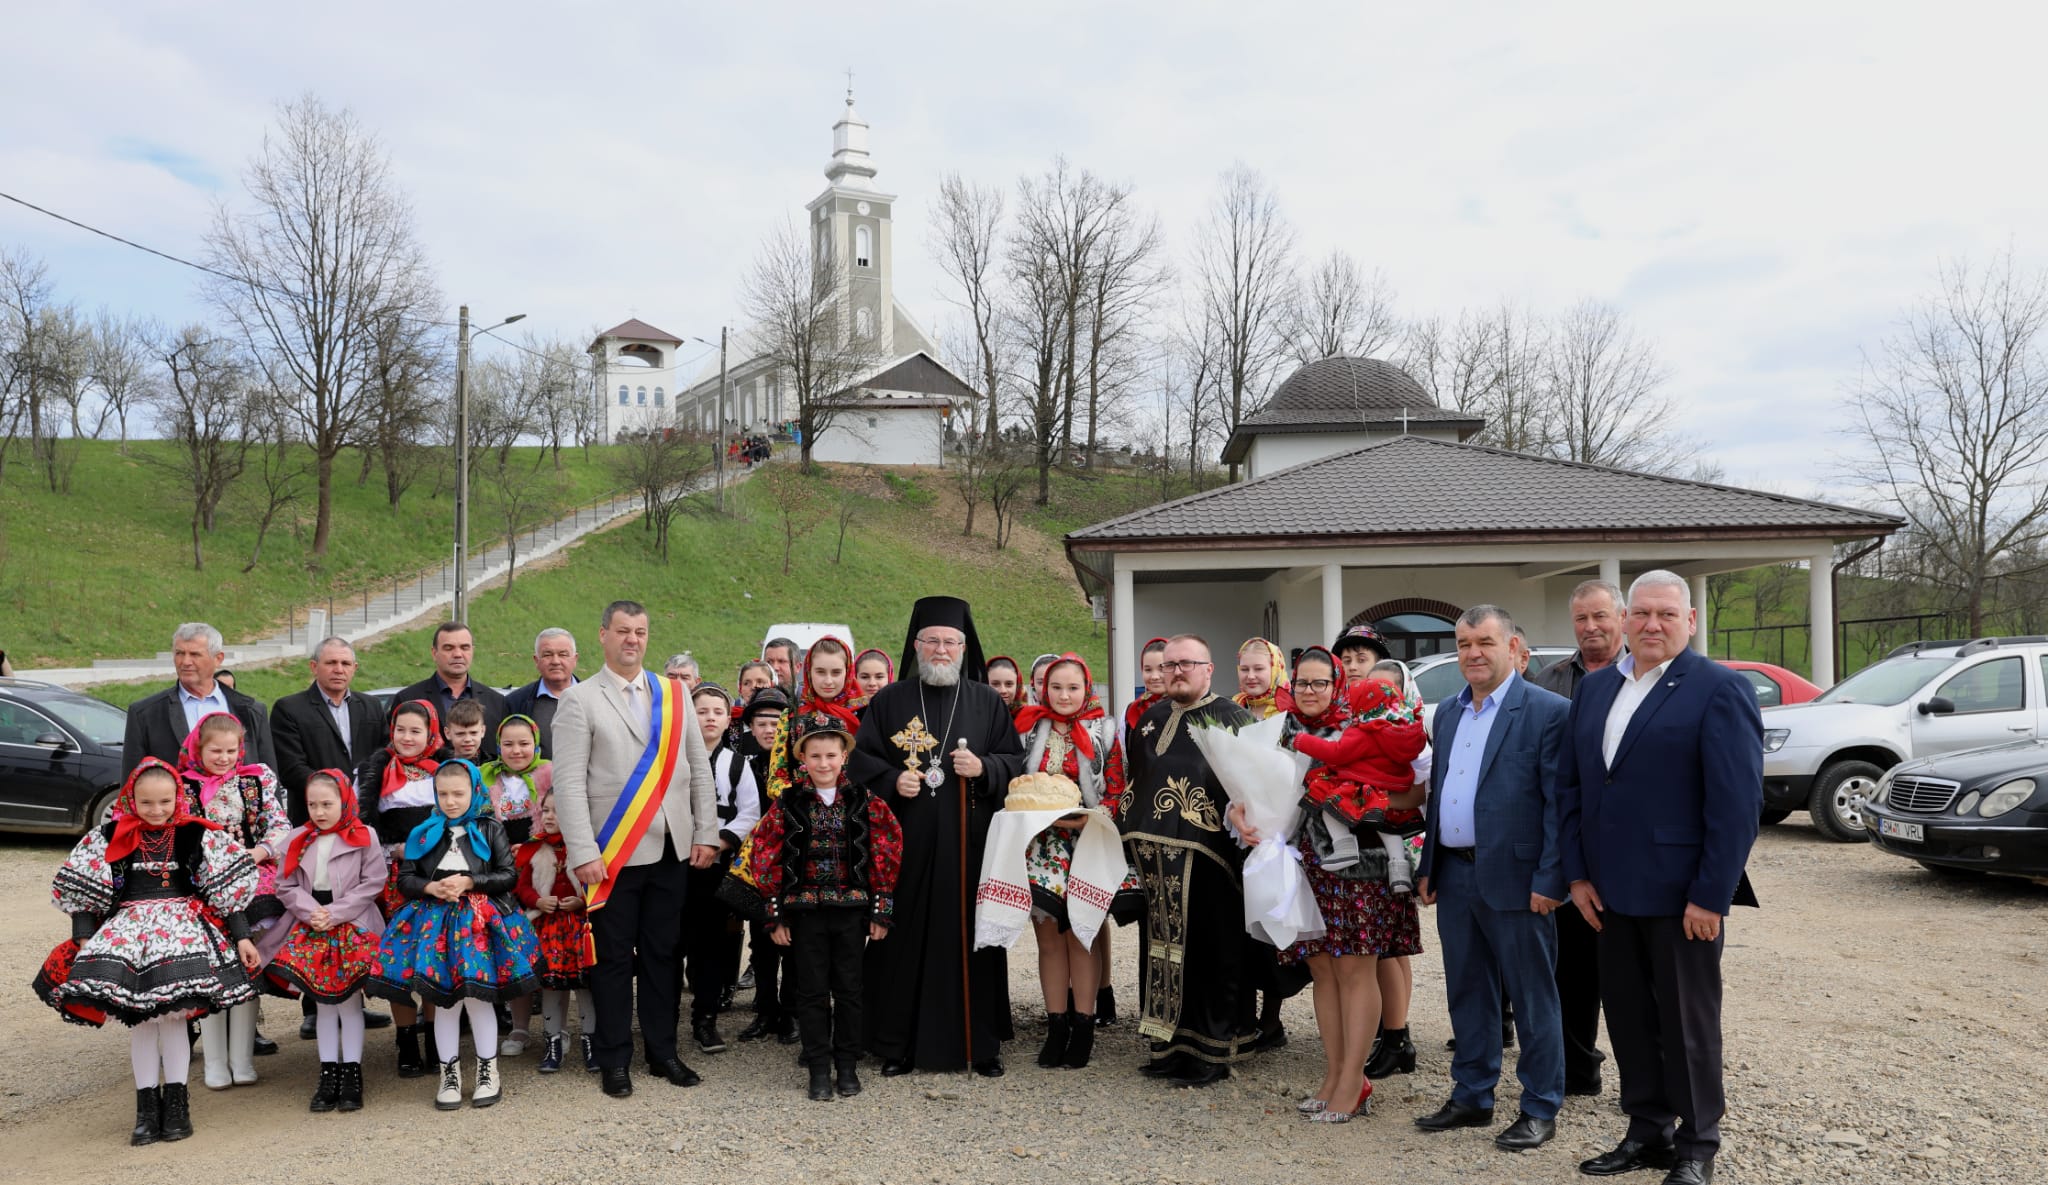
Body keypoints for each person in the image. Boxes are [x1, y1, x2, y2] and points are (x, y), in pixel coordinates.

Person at [1559, 572, 1762, 1185]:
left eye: (1666, 614)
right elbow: (1574, 789)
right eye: (1641, 613)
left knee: (1687, 1024)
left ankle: (1697, 1145)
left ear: (1690, 620)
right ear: (1625, 619)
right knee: (1628, 1017)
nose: (1652, 624)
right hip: (1607, 893)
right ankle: (1647, 1130)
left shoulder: (1719, 689)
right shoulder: (1597, 689)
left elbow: (1736, 806)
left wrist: (1711, 895)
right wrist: (1577, 875)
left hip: (1682, 897)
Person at [1412, 605, 1572, 1153]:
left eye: (1484, 642)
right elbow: (1441, 794)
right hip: (1457, 874)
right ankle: (1472, 1095)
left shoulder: (1549, 712)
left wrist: (1552, 878)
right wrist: (1430, 865)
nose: (1473, 653)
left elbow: (1558, 806)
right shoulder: (1449, 714)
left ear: (1513, 649)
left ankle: (1540, 1106)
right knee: (1468, 990)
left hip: (1520, 879)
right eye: (1464, 644)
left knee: (1532, 997)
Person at [35, 758, 261, 1146]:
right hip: (128, 936)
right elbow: (83, 892)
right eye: (146, 803)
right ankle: (146, 1110)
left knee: (172, 1021)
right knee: (140, 1023)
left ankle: (176, 1106)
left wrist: (242, 936)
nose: (157, 810)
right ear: (130, 800)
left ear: (178, 798)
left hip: (181, 936)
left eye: (165, 802)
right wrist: (84, 938)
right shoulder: (108, 836)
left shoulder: (197, 834)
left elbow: (225, 892)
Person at [1244, 648, 1423, 1122]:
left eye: (1319, 683)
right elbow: (1250, 788)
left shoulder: (1362, 725)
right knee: (1322, 970)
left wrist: (1360, 797)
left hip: (1360, 865)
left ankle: (1352, 1081)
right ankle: (1336, 1074)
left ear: (1338, 684)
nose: (1309, 691)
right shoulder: (1279, 728)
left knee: (1354, 970)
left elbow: (1413, 790)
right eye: (1301, 682)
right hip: (1303, 863)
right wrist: (1242, 813)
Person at [849, 596, 1025, 1076]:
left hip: (969, 846)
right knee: (901, 939)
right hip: (907, 843)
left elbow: (1015, 763)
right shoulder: (889, 701)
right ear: (917, 645)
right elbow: (859, 762)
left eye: (950, 642)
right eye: (932, 641)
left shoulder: (987, 701)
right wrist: (893, 780)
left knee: (974, 939)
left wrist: (983, 768)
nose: (941, 649)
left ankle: (979, 1045)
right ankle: (896, 1044)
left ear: (964, 648)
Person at [550, 600, 719, 1099]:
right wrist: (582, 851)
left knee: (664, 955)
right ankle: (614, 1058)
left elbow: (698, 768)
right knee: (613, 960)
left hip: (670, 849)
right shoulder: (579, 700)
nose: (632, 640)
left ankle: (663, 1052)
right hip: (612, 854)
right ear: (603, 635)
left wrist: (706, 831)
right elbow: (568, 784)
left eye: (640, 632)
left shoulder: (674, 694)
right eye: (623, 631)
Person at [369, 759, 542, 1110]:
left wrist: (470, 881)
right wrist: (431, 887)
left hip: (479, 923)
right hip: (435, 924)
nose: (450, 801)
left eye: (458, 794)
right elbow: (406, 879)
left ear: (474, 791)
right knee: (445, 1000)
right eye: (443, 794)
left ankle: (487, 1071)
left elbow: (507, 874)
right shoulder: (424, 832)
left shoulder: (490, 828)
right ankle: (449, 1075)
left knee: (479, 999)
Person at [748, 710, 904, 1101]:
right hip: (805, 915)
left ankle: (847, 1064)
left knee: (849, 990)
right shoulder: (788, 803)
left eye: (831, 755)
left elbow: (888, 847)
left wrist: (881, 908)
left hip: (851, 913)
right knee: (811, 991)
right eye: (815, 756)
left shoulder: (865, 801)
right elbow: (764, 852)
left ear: (844, 757)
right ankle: (818, 1067)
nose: (823, 764)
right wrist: (775, 914)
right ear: (802, 758)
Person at [1122, 634, 1254, 1085]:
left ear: (1208, 669)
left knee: (1211, 952)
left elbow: (1253, 789)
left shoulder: (1232, 719)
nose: (1176, 671)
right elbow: (1136, 783)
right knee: (1162, 952)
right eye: (1170, 664)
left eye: (1187, 664)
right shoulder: (1151, 718)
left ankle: (1211, 1052)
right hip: (1157, 862)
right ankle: (1168, 1046)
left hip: (1212, 860)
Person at [1011, 653, 1136, 1067]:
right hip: (1041, 846)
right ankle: (1056, 1026)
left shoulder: (1104, 731)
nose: (1064, 695)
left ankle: (1084, 1028)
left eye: (1073, 688)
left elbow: (1118, 788)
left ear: (1087, 690)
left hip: (1088, 842)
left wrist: (1094, 816)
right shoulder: (1028, 729)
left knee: (1083, 934)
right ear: (1044, 689)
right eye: (1056, 687)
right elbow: (1014, 783)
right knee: (1048, 940)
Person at [1532, 578, 1627, 1098]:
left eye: (1600, 616)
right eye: (1581, 619)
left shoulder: (1648, 676)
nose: (1590, 627)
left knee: (1632, 977)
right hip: (1571, 847)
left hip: (1629, 851)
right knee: (1571, 971)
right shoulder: (1549, 680)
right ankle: (1578, 1069)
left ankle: (1644, 1082)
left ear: (1622, 618)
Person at [262, 769, 387, 1114]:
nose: (319, 811)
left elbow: (373, 882)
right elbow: (285, 885)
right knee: (323, 1004)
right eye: (312, 804)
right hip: (311, 923)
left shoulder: (364, 835)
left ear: (344, 801)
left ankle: (352, 1073)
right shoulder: (297, 838)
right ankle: (328, 1072)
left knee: (349, 1003)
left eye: (327, 804)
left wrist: (335, 912)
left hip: (351, 923)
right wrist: (312, 911)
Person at [178, 711, 290, 1089]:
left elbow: (279, 825)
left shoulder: (255, 780)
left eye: (231, 751)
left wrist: (260, 852)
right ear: (198, 749)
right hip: (202, 884)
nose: (224, 758)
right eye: (216, 751)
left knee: (248, 965)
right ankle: (215, 1061)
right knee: (214, 968)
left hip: (252, 878)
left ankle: (242, 1059)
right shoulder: (183, 787)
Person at [356, 700, 451, 1077]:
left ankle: (434, 1039)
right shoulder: (374, 770)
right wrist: (392, 849)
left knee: (433, 956)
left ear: (431, 733)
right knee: (399, 959)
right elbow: (361, 827)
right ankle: (406, 1040)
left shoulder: (448, 770)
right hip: (392, 879)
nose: (407, 738)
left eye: (416, 731)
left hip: (436, 876)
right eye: (400, 730)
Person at [1291, 672, 1428, 890]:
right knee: (1387, 827)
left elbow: (1336, 753)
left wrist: (1301, 740)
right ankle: (1399, 870)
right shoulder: (1403, 730)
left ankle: (1344, 847)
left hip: (1360, 785)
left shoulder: (1364, 730)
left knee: (1330, 806)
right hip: (1390, 788)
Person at [683, 683, 761, 1054]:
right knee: (671, 942)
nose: (710, 718)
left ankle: (705, 1018)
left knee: (710, 945)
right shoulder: (673, 759)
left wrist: (718, 842)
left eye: (717, 712)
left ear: (728, 719)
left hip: (715, 866)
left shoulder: (737, 764)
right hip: (674, 865)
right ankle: (664, 1016)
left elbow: (750, 812)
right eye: (702, 711)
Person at [1229, 636, 1291, 1053]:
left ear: (1275, 669)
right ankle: (1243, 1017)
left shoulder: (1289, 713)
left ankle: (1272, 1017)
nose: (1251, 676)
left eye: (1259, 669)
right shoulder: (1229, 711)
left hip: (1278, 836)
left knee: (1272, 930)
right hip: (1238, 833)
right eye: (1245, 669)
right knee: (1241, 930)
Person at [513, 788, 597, 1075]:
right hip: (548, 930)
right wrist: (537, 901)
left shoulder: (586, 848)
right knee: (549, 985)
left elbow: (599, 883)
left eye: (557, 811)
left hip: (578, 929)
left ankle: (591, 1042)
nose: (548, 816)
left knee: (585, 986)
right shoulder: (535, 848)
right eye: (545, 810)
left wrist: (582, 900)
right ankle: (553, 1044)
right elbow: (522, 886)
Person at [123, 622, 277, 775]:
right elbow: (131, 782)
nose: (185, 662)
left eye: (195, 654)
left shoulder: (251, 711)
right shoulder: (145, 714)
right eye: (180, 653)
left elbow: (269, 777)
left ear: (218, 659)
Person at [272, 638, 389, 827]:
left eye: (345, 663)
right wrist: (335, 793)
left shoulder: (372, 706)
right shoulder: (289, 709)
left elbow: (385, 754)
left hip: (366, 819)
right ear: (314, 667)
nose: (339, 669)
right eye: (331, 663)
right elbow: (290, 768)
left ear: (354, 668)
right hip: (314, 820)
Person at [734, 688, 795, 1044]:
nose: (770, 729)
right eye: (762, 723)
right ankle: (765, 1010)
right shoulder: (744, 765)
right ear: (752, 728)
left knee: (794, 941)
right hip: (756, 865)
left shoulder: (798, 765)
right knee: (761, 940)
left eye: (777, 722)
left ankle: (791, 1012)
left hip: (793, 863)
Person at [395, 622, 508, 761]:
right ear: (434, 653)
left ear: (472, 651)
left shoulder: (497, 702)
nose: (458, 654)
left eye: (465, 647)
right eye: (448, 648)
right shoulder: (408, 699)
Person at [503, 628, 579, 757]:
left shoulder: (595, 699)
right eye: (547, 655)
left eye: (563, 654)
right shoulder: (515, 703)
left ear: (575, 659)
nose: (555, 661)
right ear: (536, 660)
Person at [480, 715, 549, 847]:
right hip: (496, 852)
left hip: (540, 850)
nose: (516, 751)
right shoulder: (484, 774)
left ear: (535, 744)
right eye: (508, 744)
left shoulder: (550, 775)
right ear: (499, 746)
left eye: (524, 744)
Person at [1122, 638, 1170, 735]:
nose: (1155, 677)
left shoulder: (1187, 708)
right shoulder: (1132, 710)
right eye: (1148, 670)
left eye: (1162, 669)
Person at [442, 699, 488, 764]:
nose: (467, 739)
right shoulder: (435, 765)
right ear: (447, 733)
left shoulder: (492, 766)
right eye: (460, 734)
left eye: (473, 733)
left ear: (482, 731)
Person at [850, 648, 893, 715]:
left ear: (889, 678)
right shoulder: (844, 711)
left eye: (879, 677)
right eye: (865, 677)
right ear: (855, 677)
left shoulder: (898, 709)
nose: (872, 683)